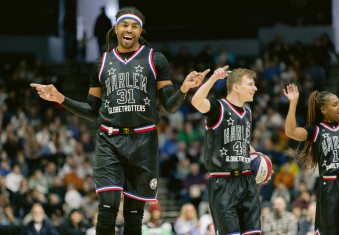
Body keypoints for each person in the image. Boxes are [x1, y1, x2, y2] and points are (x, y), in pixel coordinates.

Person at [30, 6, 208, 235]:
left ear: (140, 31)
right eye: (125, 24)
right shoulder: (101, 63)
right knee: (107, 208)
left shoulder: (156, 59)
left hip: (144, 142)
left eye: (135, 26)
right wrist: (60, 98)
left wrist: (184, 88)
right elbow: (92, 110)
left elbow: (169, 106)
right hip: (110, 141)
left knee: (134, 218)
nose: (129, 29)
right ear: (116, 29)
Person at [283, 84, 339, 235]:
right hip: (330, 186)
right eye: (335, 104)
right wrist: (293, 103)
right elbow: (290, 131)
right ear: (323, 110)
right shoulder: (316, 130)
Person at [191, 66, 264, 234]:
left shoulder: (248, 112)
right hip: (223, 183)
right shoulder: (218, 108)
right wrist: (213, 79)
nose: (255, 88)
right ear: (236, 87)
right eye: (251, 84)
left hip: (247, 181)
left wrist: (260, 159)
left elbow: (244, 142)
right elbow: (196, 101)